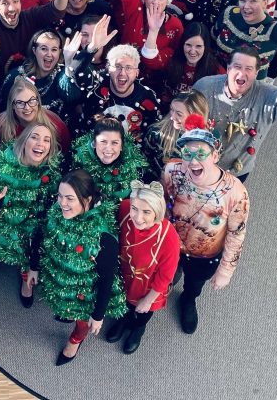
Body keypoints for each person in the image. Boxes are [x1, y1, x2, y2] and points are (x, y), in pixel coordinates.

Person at [163, 121, 248, 335]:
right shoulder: (172, 171)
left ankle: (188, 299)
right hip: (171, 244)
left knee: (195, 283)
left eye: (201, 154)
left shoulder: (236, 192)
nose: (193, 161)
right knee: (167, 274)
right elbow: (163, 203)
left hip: (205, 254)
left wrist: (226, 271)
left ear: (215, 156)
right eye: (187, 154)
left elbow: (236, 235)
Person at [36, 169, 126, 365]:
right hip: (60, 278)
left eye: (70, 198)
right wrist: (34, 267)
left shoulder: (103, 238)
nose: (62, 203)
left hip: (86, 294)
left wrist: (98, 315)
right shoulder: (57, 213)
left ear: (87, 200)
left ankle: (75, 340)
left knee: (82, 322)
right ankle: (67, 313)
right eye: (60, 196)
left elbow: (107, 281)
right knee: (64, 306)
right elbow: (40, 235)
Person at [193, 47, 277, 180]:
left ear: (256, 73)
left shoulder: (267, 95)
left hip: (235, 173)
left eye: (248, 69)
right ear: (228, 68)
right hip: (198, 162)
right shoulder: (205, 86)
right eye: (237, 67)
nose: (242, 73)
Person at [0, 123, 63, 307]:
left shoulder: (52, 172)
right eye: (34, 137)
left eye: (47, 140)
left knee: (34, 243)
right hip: (2, 219)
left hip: (32, 224)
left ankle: (26, 279)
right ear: (24, 141)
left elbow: (49, 212)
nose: (40, 143)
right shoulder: (4, 166)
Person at [106, 180, 180, 353]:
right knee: (124, 305)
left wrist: (149, 300)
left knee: (142, 313)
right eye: (135, 209)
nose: (138, 218)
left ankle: (138, 328)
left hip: (146, 286)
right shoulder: (125, 209)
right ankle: (123, 320)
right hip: (124, 276)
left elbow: (165, 276)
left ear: (157, 211)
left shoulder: (168, 237)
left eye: (146, 212)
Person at [61, 16, 161, 143]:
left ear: (137, 72)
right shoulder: (96, 84)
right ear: (108, 68)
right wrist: (92, 48)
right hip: (89, 149)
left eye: (128, 68)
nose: (122, 73)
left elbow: (152, 137)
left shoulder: (148, 98)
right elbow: (76, 71)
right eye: (117, 66)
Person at [70, 117, 146, 223]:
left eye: (114, 143)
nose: (108, 148)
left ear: (121, 146)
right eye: (103, 142)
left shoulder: (133, 166)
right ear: (94, 143)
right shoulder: (78, 163)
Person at [148, 22, 223, 106]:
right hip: (166, 110)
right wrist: (153, 31)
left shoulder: (215, 69)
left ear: (205, 47)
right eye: (188, 45)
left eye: (198, 46)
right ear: (182, 44)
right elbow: (150, 60)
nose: (192, 51)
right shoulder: (171, 57)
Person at [142, 89, 210, 182]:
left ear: (195, 116)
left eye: (179, 114)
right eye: (172, 110)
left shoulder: (208, 142)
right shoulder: (156, 134)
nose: (172, 117)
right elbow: (144, 165)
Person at [0, 29, 68, 119]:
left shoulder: (64, 76)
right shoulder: (15, 77)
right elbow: (2, 112)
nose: (49, 54)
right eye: (44, 49)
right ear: (34, 51)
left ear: (59, 52)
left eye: (54, 50)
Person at [0, 76, 71, 150]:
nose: (27, 107)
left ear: (38, 101)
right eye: (20, 103)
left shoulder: (55, 125)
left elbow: (66, 154)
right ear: (12, 105)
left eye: (32, 101)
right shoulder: (1, 125)